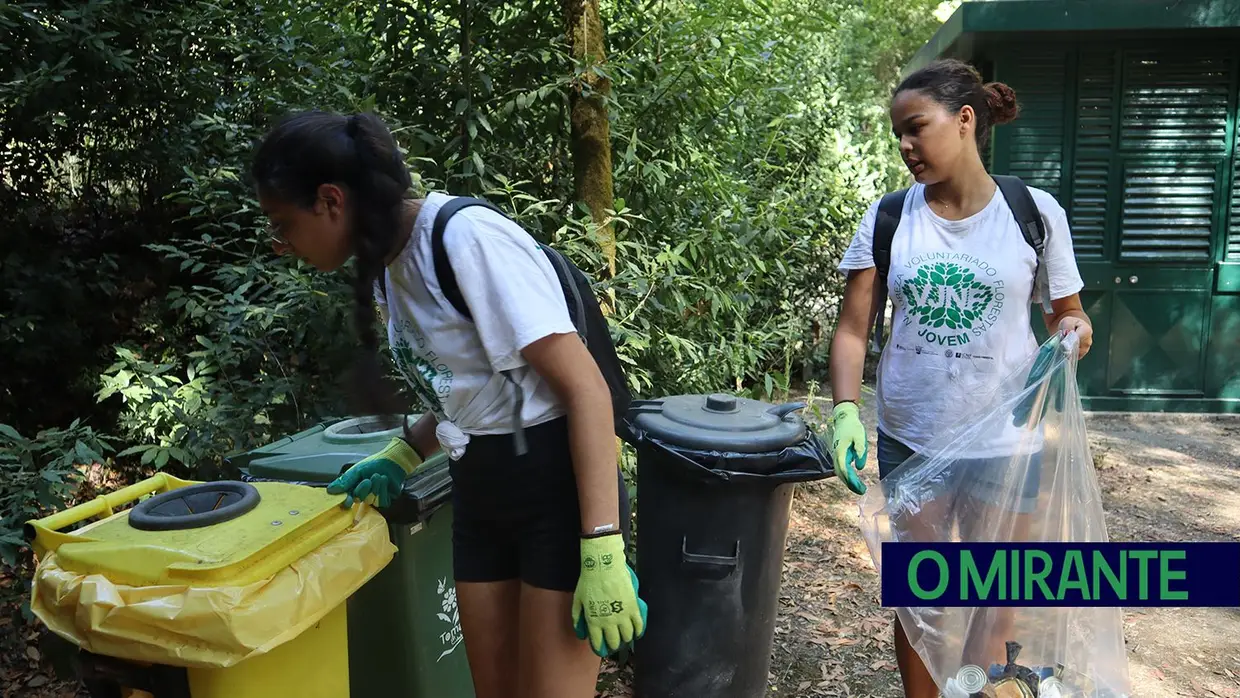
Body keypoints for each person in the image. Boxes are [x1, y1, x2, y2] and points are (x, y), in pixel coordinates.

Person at [250, 110, 645, 698]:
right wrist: (404, 453)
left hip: (555, 494)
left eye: (283, 225)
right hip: (480, 495)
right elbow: (473, 391)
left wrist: (603, 543)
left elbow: (584, 389)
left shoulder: (466, 241)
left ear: (331, 200)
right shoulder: (389, 265)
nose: (281, 245)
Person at [826, 59, 1093, 698]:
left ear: (965, 119)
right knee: (924, 602)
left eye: (916, 127)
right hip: (914, 437)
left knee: (996, 598)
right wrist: (842, 411)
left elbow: (1071, 316)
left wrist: (1074, 337)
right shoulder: (891, 217)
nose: (904, 146)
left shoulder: (1034, 211)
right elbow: (853, 329)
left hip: (1007, 440)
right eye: (898, 134)